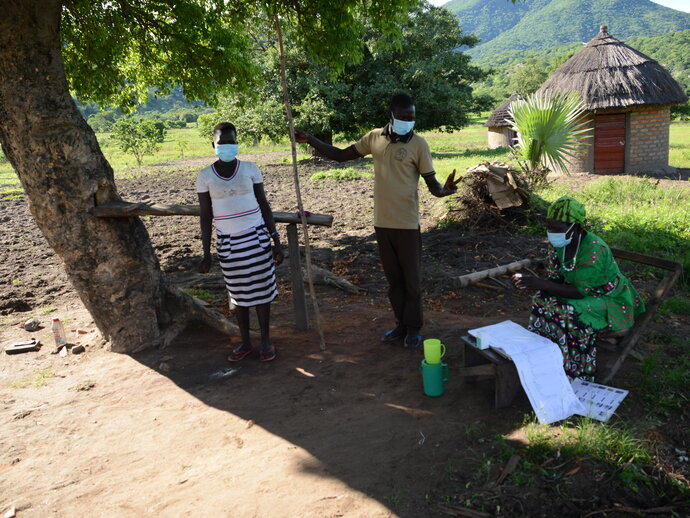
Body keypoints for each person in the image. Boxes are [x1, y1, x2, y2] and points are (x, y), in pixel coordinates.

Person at [295, 93, 460, 349]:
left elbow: (433, 186)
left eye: (412, 117)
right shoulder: (374, 138)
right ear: (391, 116)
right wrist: (312, 140)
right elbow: (341, 156)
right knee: (394, 282)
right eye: (404, 117)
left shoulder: (419, 145)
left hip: (407, 224)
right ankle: (400, 325)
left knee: (412, 282)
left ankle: (414, 328)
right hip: (382, 224)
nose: (408, 121)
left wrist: (445, 191)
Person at [513, 196, 645, 381]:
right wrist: (536, 283)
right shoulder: (560, 244)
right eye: (549, 227)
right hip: (579, 290)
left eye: (557, 229)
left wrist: (542, 283)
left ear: (575, 227)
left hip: (608, 298)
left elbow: (579, 292)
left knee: (571, 311)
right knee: (541, 299)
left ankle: (575, 368)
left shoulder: (593, 250)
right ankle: (547, 356)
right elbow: (556, 277)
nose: (551, 233)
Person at [197, 122, 284, 363]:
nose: (227, 146)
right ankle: (245, 342)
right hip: (228, 243)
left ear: (237, 143)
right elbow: (206, 216)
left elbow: (264, 204)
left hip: (256, 238)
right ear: (213, 145)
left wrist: (275, 239)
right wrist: (206, 253)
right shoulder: (204, 176)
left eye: (231, 142)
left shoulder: (250, 169)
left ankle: (266, 340)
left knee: (263, 291)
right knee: (238, 294)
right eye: (222, 143)